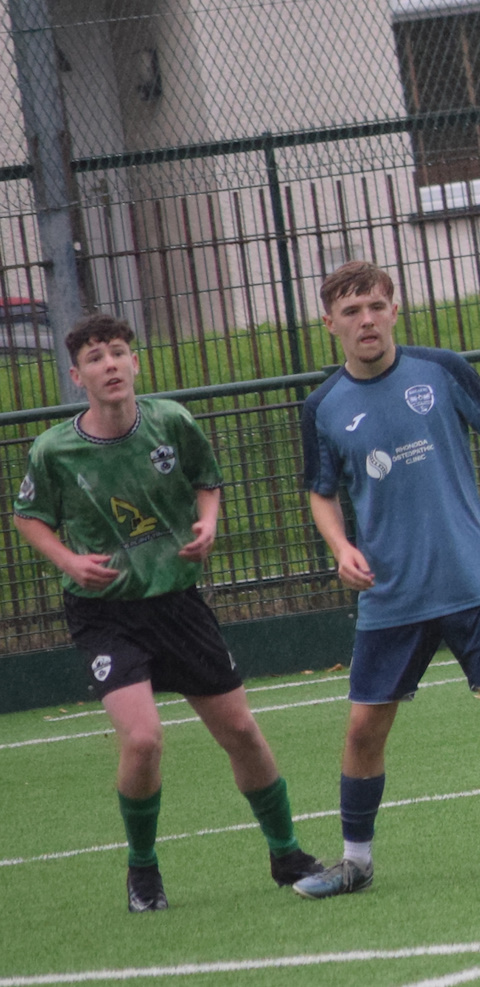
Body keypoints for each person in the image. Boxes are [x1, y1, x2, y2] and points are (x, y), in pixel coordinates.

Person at [10, 313, 325, 912]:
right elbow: (28, 516)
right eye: (96, 358)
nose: (110, 365)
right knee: (145, 740)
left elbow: (208, 481)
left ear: (135, 363)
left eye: (118, 353)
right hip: (105, 613)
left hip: (178, 602)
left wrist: (207, 523)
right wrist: (68, 562)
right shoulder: (54, 449)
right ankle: (143, 871)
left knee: (240, 731)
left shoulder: (171, 420)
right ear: (78, 376)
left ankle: (286, 853)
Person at [291, 261, 480, 899]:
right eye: (351, 311)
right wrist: (341, 546)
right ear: (330, 324)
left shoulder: (440, 371)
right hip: (391, 593)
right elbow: (320, 493)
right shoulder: (323, 407)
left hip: (469, 575)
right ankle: (355, 863)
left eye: (375, 305)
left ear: (393, 309)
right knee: (365, 726)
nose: (365, 320)